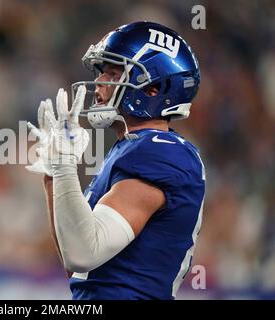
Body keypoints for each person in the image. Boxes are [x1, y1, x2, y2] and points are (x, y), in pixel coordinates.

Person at [26, 21, 205, 300]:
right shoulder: (129, 149)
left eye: (112, 72)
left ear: (152, 88)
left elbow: (83, 252)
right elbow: (71, 258)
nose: (99, 82)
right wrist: (53, 174)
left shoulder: (162, 152)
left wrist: (64, 166)